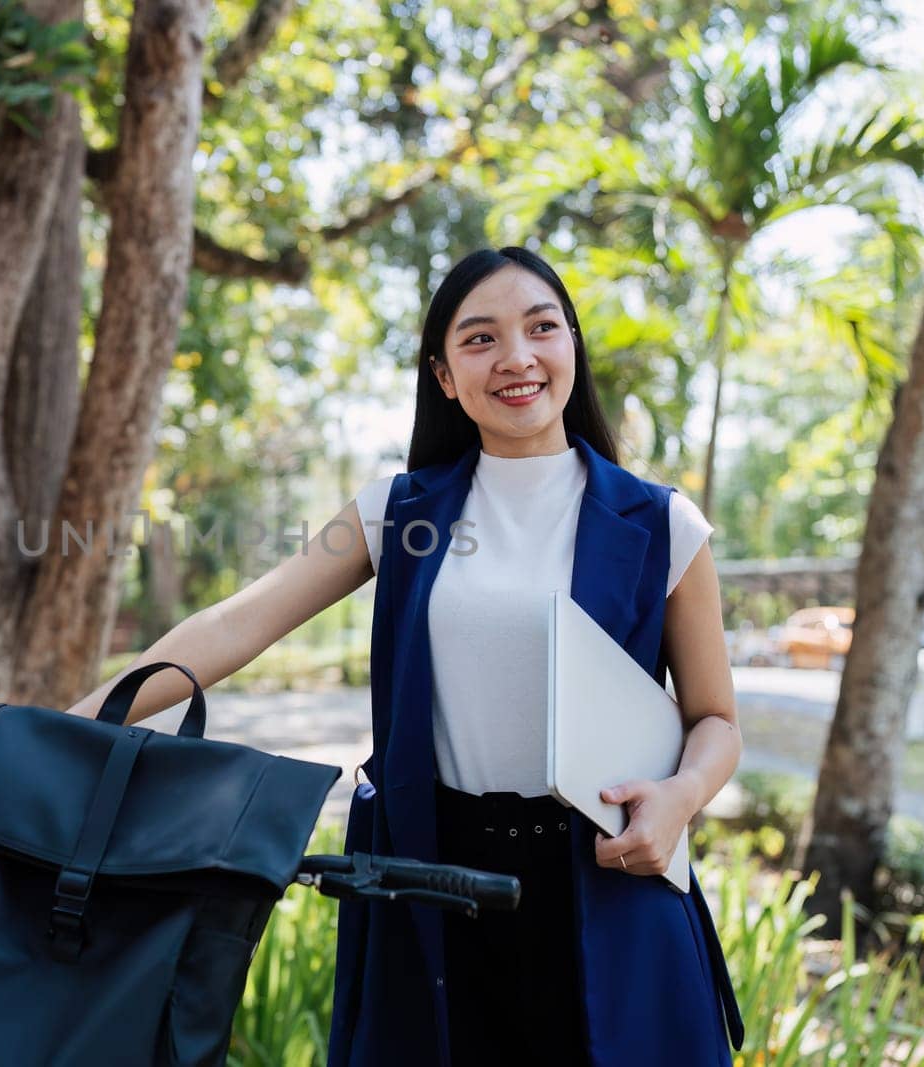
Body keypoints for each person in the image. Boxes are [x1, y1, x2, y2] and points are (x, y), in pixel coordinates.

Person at [65, 245, 744, 1066]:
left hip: (609, 879)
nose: (518, 358)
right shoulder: (401, 512)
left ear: (572, 346)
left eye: (541, 328)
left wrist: (680, 795)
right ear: (445, 376)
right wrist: (69, 730)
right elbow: (238, 623)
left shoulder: (661, 523)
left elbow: (715, 719)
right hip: (428, 879)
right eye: (481, 339)